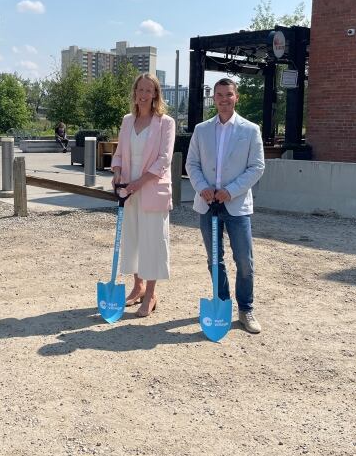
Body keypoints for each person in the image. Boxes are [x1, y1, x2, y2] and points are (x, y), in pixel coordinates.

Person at [185, 78, 265, 333]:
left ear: (236, 97)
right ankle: (221, 304)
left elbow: (257, 167)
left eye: (228, 94)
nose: (223, 99)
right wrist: (202, 187)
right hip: (208, 204)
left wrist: (231, 191)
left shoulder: (250, 130)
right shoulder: (201, 130)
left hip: (236, 205)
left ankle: (246, 309)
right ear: (214, 98)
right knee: (214, 260)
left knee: (244, 260)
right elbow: (192, 164)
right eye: (219, 95)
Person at [111, 73, 176, 317]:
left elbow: (164, 160)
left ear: (156, 94)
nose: (144, 94)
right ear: (135, 92)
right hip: (129, 191)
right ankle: (137, 287)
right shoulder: (128, 120)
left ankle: (150, 294)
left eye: (149, 90)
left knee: (153, 242)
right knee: (134, 240)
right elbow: (118, 154)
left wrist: (139, 182)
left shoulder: (165, 123)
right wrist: (117, 172)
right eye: (140, 89)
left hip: (151, 189)